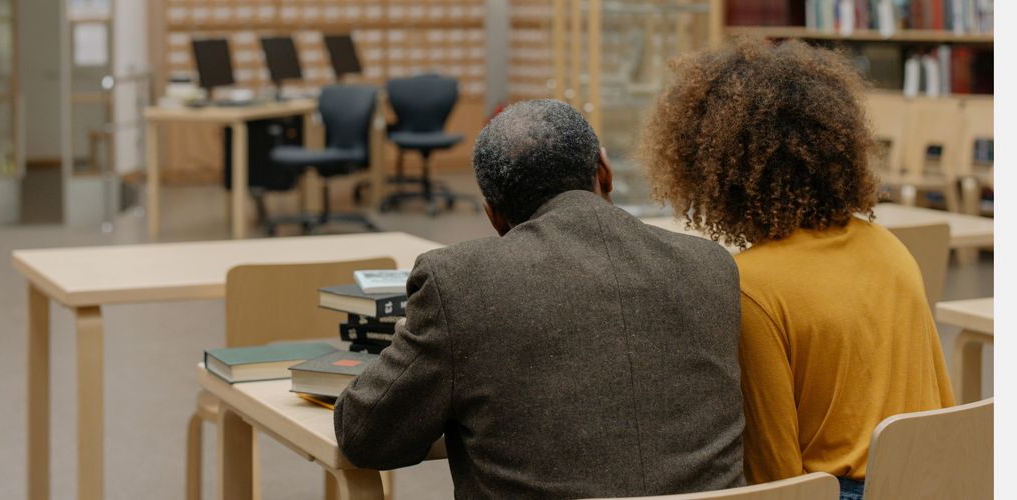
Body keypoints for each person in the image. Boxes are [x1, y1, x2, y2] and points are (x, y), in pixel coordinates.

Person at [334, 99, 745, 499]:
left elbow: (365, 437)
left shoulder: (459, 282)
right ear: (604, 170)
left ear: (493, 215)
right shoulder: (711, 265)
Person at [638, 38, 955, 500]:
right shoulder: (889, 247)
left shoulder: (751, 287)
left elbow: (779, 476)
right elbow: (942, 404)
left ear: (709, 168)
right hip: (937, 481)